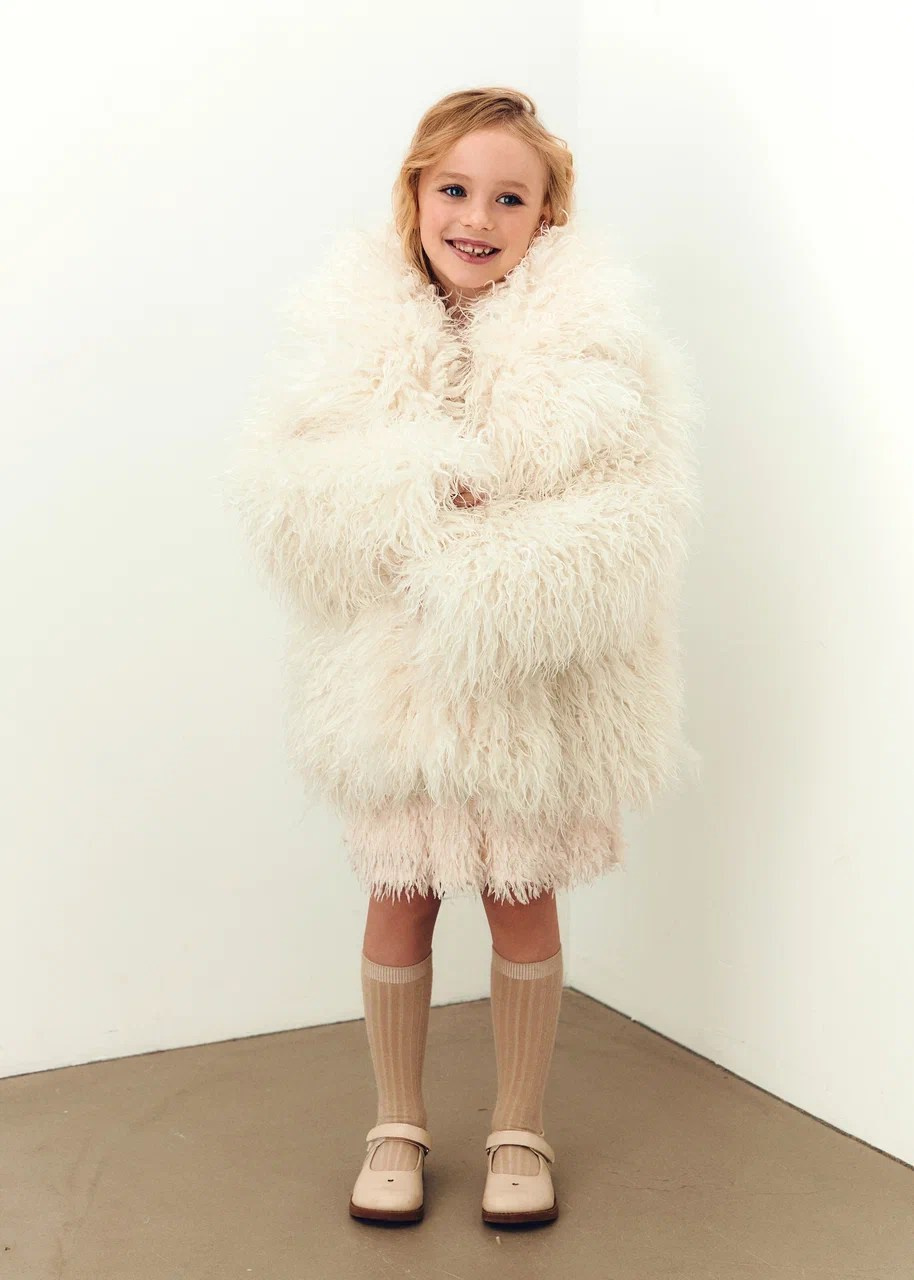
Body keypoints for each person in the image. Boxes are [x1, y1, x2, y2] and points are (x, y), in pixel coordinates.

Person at [222, 86, 703, 1227]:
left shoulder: (597, 344)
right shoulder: (348, 331)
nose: (476, 218)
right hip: (393, 691)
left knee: (520, 899)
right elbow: (289, 496)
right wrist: (422, 484)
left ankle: (518, 1128)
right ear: (415, 193)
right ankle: (395, 1121)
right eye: (454, 189)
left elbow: (633, 520)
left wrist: (481, 567)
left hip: (527, 693)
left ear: (547, 216)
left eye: (508, 198)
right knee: (397, 895)